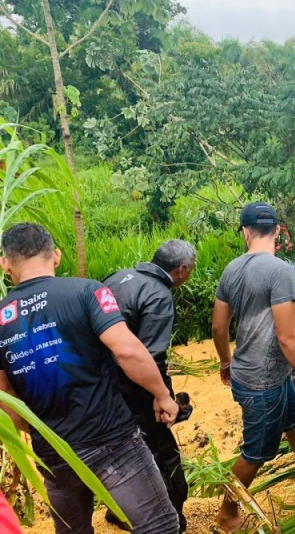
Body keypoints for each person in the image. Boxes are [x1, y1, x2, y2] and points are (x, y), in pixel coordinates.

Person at [0, 223, 179, 534]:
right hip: (112, 438)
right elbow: (128, 351)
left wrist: (32, 431)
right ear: (55, 255)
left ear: (5, 263)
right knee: (159, 526)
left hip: (54, 450)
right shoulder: (86, 291)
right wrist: (162, 395)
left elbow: (5, 394)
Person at [211, 202, 295, 532]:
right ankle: (227, 513)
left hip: (255, 372)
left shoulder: (231, 270)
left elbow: (218, 328)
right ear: (278, 232)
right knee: (256, 451)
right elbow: (288, 337)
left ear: (245, 232)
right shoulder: (279, 271)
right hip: (263, 381)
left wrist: (226, 361)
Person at [103, 240, 197, 532]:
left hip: (99, 384)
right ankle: (171, 518)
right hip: (131, 386)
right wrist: (163, 397)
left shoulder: (117, 278)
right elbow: (150, 357)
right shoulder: (158, 296)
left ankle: (119, 510)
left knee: (119, 447)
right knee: (158, 448)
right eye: (190, 270)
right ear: (180, 270)